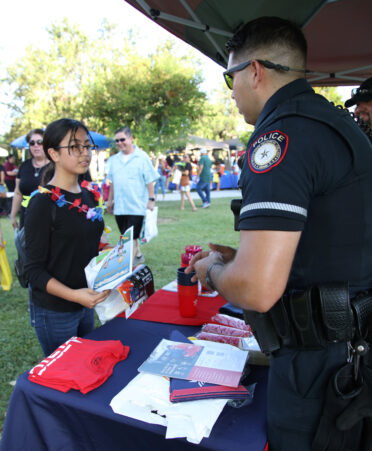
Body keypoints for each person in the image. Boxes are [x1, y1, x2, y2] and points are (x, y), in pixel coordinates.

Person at [187, 16, 372, 451]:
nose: (231, 91)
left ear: (254, 71)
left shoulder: (280, 137)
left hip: (318, 363)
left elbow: (256, 289)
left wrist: (214, 269)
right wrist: (248, 257)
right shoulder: (335, 124)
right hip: (351, 347)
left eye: (229, 76)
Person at [24, 118, 110, 357]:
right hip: (55, 310)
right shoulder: (42, 203)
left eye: (87, 146)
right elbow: (33, 271)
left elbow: (89, 243)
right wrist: (74, 296)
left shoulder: (90, 195)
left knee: (86, 362)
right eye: (74, 147)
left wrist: (112, 254)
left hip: (87, 301)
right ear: (53, 154)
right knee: (65, 373)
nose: (84, 153)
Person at [107, 126, 158, 265]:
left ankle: (127, 264)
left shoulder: (142, 157)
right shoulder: (114, 160)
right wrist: (109, 201)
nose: (119, 143)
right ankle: (138, 255)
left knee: (130, 238)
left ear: (130, 138)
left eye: (122, 139)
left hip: (137, 206)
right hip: (120, 206)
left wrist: (151, 200)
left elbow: (150, 180)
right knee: (126, 236)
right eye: (116, 141)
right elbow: (112, 183)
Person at [10, 129, 49, 230]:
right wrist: (13, 215)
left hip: (49, 220)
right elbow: (18, 192)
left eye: (40, 142)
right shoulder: (24, 166)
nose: (36, 145)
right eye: (32, 143)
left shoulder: (55, 166)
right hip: (27, 218)